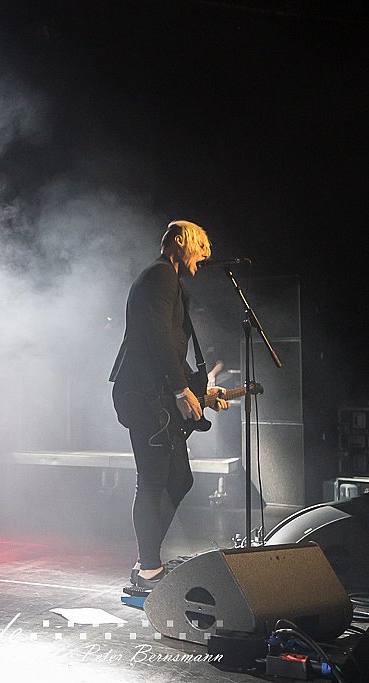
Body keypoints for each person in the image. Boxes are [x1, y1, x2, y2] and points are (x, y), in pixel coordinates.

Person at [109, 220, 229, 589]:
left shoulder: (170, 281)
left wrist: (198, 389)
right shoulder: (160, 275)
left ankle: (146, 558)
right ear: (179, 242)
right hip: (144, 395)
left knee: (180, 479)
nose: (204, 257)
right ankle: (148, 569)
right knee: (152, 482)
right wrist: (181, 391)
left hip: (156, 394)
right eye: (200, 247)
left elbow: (172, 347)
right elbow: (157, 337)